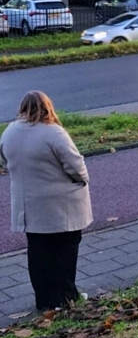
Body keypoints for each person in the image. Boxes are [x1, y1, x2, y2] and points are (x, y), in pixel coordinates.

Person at [0, 91, 92, 311]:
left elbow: (4, 161)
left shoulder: (9, 132)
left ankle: (44, 300)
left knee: (38, 252)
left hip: (28, 206)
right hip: (60, 204)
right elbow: (76, 166)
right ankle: (67, 297)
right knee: (66, 250)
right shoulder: (54, 133)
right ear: (47, 107)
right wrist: (81, 180)